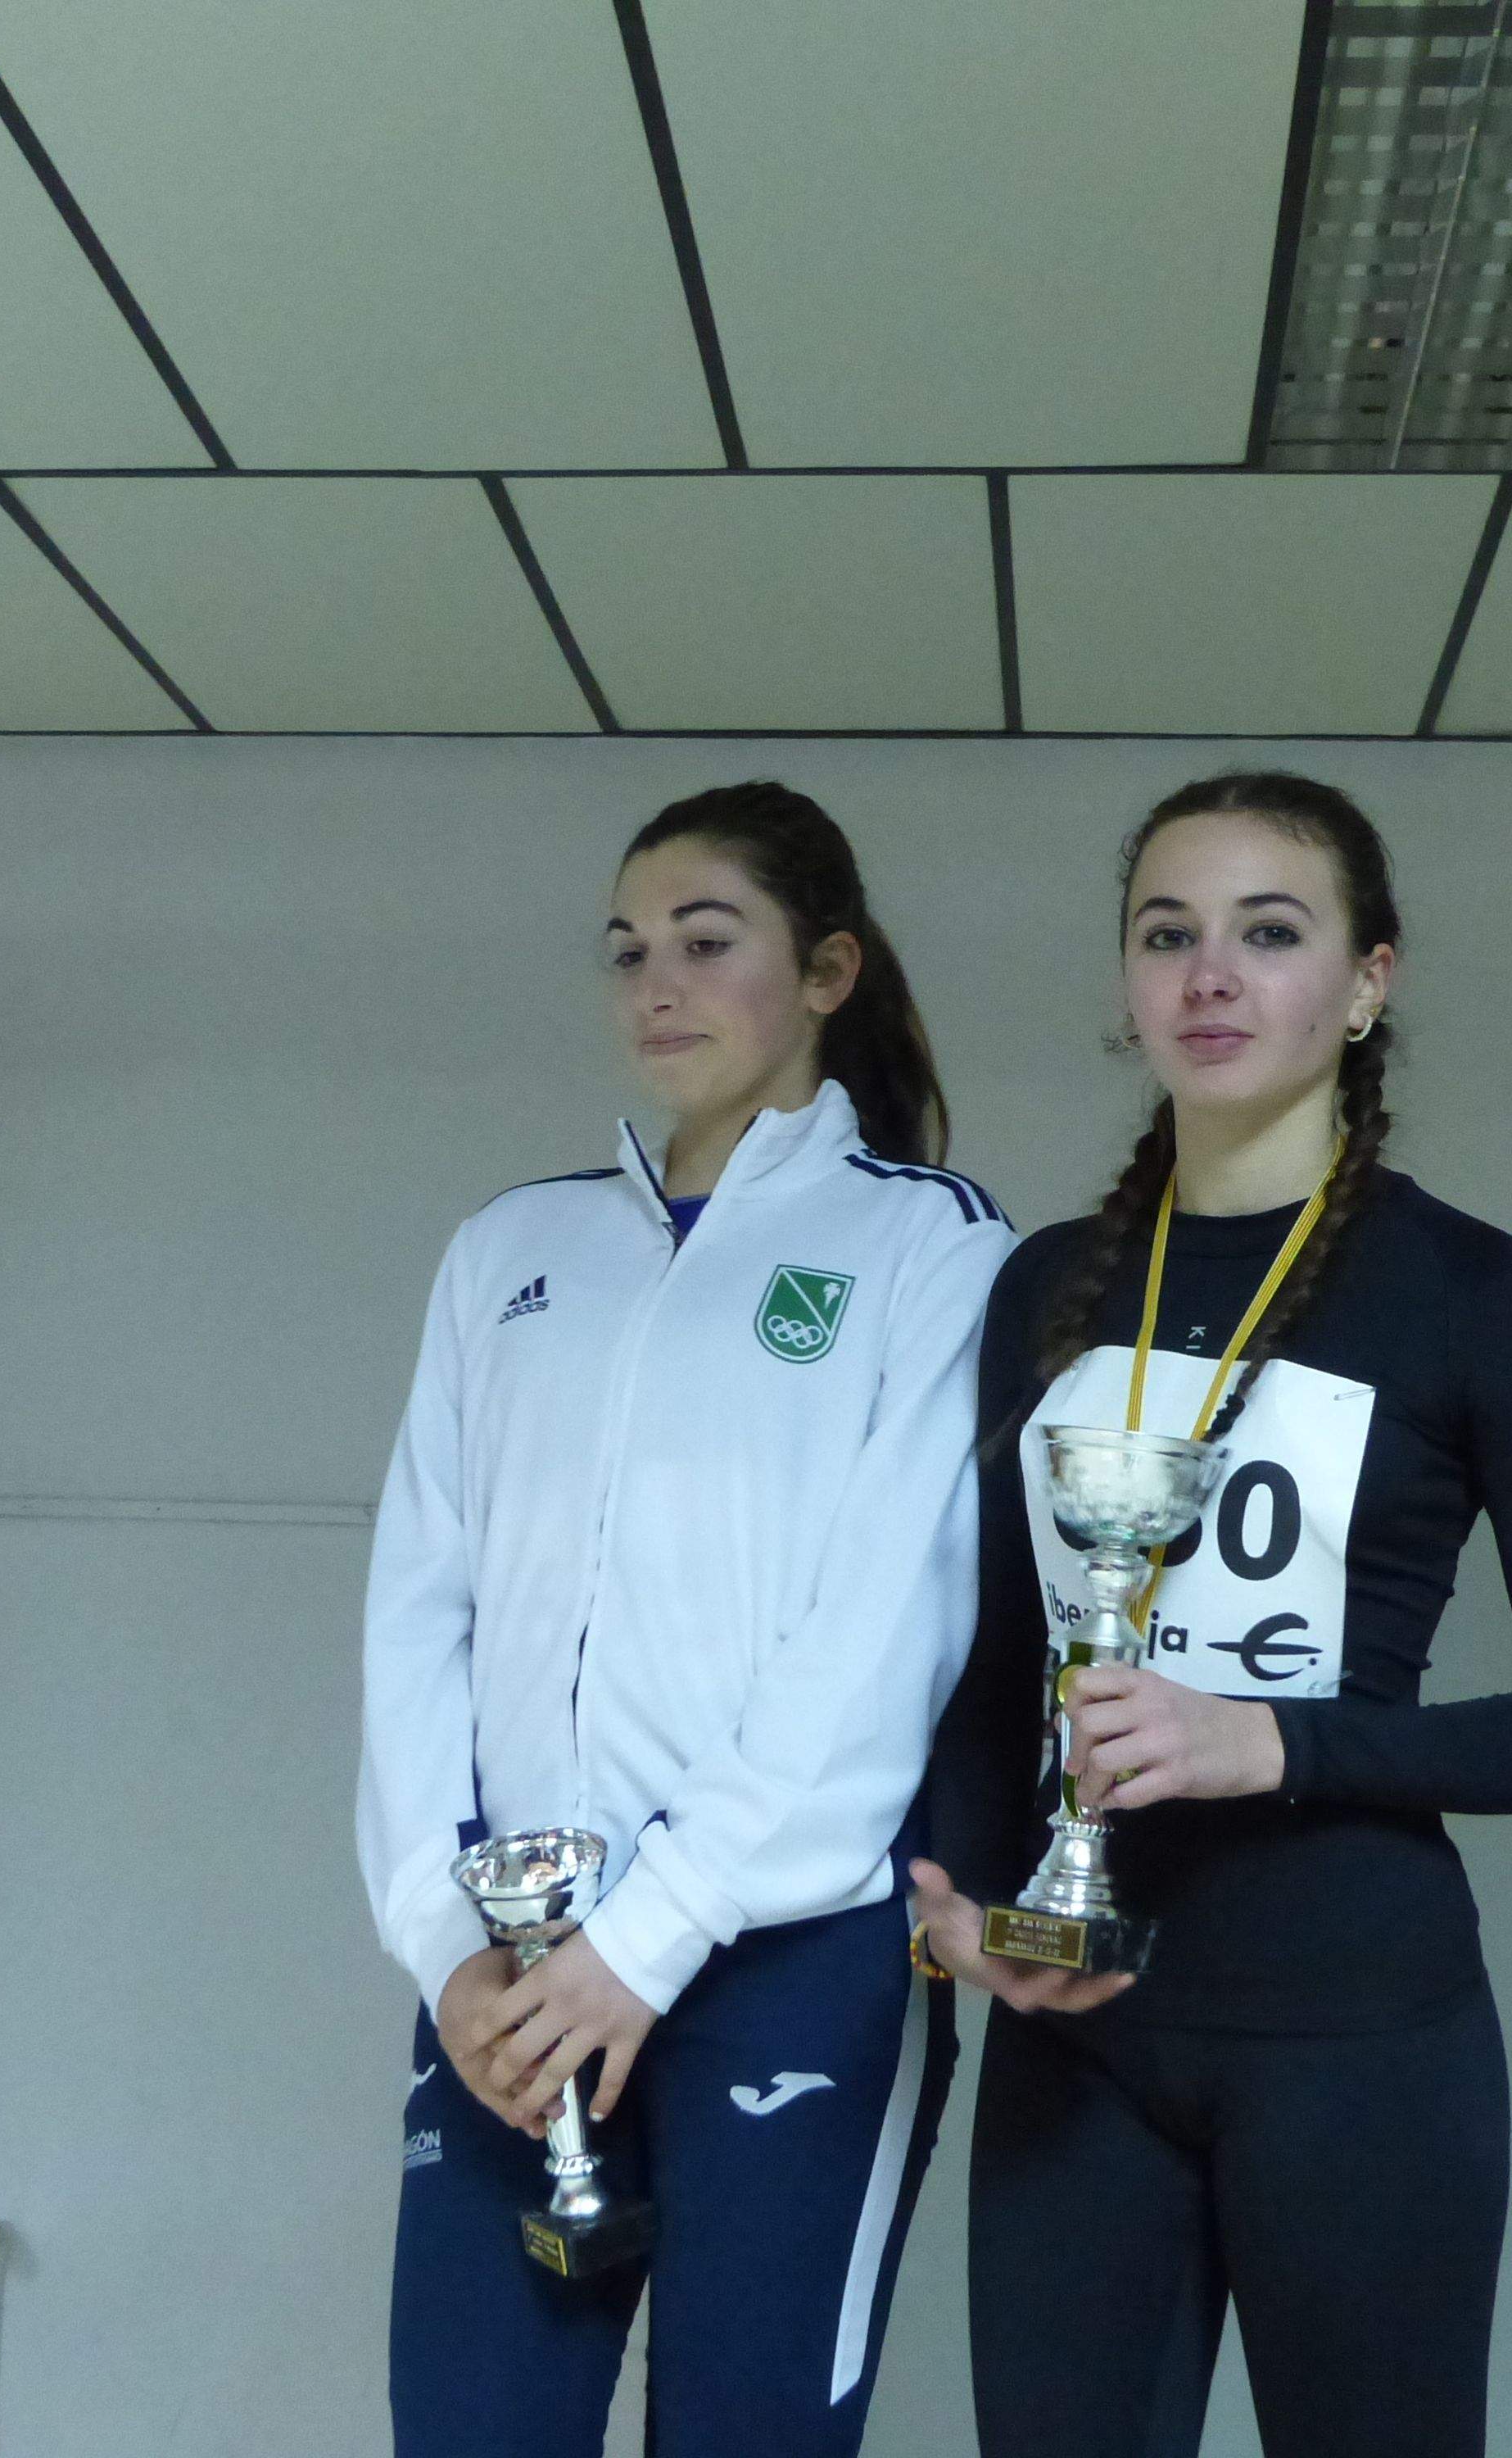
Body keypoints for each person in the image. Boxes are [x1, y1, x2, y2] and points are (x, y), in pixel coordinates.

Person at [912, 770, 1512, 2458]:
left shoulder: (1474, 1295)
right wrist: (959, 1910)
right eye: (1165, 934)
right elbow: (991, 1670)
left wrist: (1270, 1743)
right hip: (1078, 2043)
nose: (1208, 976)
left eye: (1268, 933)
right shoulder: (1048, 1286)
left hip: (1355, 2037)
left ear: (1366, 983)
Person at [358, 781, 1012, 2456]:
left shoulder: (924, 1251)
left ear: (826, 971)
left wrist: (645, 1945)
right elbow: (416, 1614)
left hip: (777, 1962)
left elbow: (882, 1639)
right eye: (628, 949)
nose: (656, 983)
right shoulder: (509, 1251)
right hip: (509, 1988)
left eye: (707, 941)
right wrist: (445, 1944)